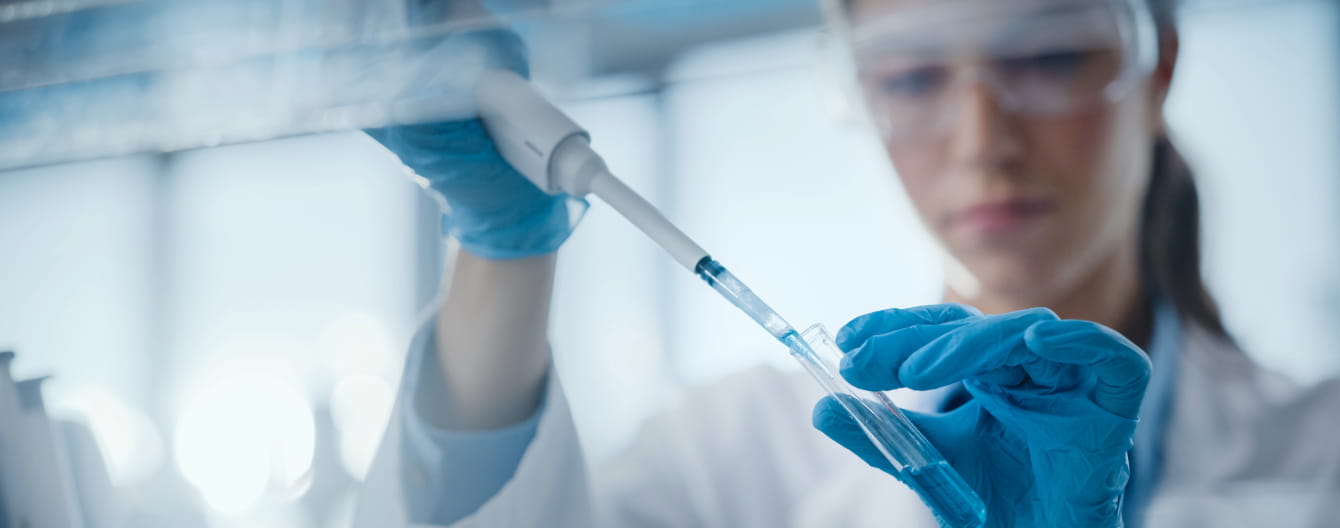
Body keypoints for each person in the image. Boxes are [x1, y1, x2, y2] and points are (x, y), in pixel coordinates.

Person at [355, 0, 1340, 526]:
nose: (979, 138)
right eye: (912, 77)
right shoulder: (730, 460)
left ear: (1155, 64)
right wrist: (504, 253)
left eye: (1044, 57)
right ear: (860, 93)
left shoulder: (1319, 455)